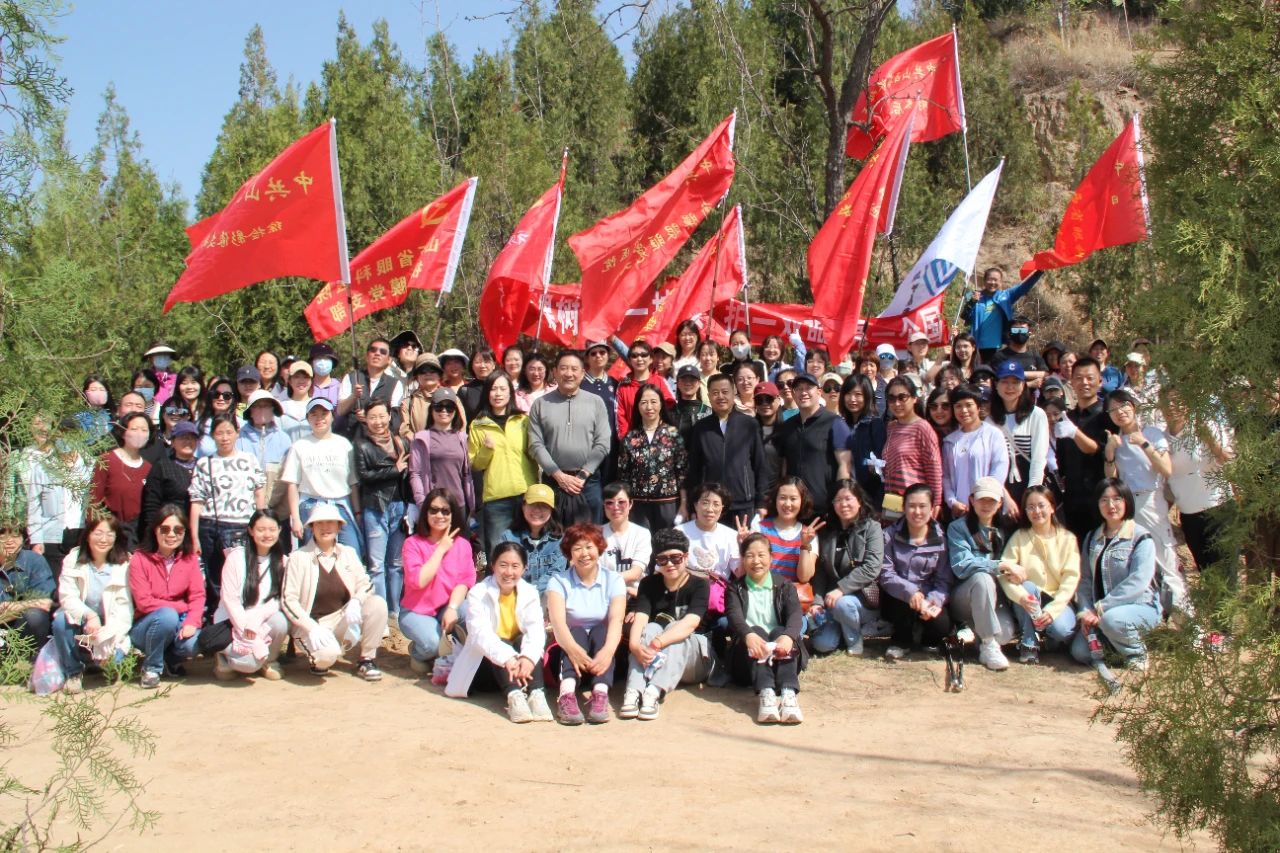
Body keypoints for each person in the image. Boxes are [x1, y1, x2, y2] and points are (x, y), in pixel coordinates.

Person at [443, 541, 555, 723]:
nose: (509, 572)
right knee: (501, 640)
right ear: (493, 565)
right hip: (486, 668)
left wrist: (528, 658)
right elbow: (481, 635)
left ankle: (537, 693)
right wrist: (507, 658)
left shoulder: (530, 592)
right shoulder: (478, 593)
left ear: (524, 568)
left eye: (515, 566)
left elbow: (535, 631)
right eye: (503, 565)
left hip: (519, 666)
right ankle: (514, 695)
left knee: (526, 642)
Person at [1103, 388, 1188, 615]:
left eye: (1123, 405)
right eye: (1113, 409)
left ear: (1133, 406)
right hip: (1127, 506)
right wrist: (1110, 452)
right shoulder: (1115, 439)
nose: (1120, 412)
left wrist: (1144, 443)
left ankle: (1188, 617)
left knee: (1165, 559)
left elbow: (1166, 469)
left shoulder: (1151, 433)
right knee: (1141, 563)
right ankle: (1155, 615)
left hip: (1151, 500)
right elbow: (1111, 479)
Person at [281, 502, 388, 681]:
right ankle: (321, 657)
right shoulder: (298, 558)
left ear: (339, 526)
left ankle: (367, 659)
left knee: (377, 604)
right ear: (312, 527)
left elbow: (366, 584)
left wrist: (357, 601)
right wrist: (311, 627)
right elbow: (288, 600)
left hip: (341, 619)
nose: (325, 527)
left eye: (330, 522)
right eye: (319, 523)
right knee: (326, 658)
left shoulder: (348, 553)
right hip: (312, 624)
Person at [620, 528, 713, 720]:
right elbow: (641, 618)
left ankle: (654, 691)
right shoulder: (648, 584)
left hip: (693, 659)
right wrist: (635, 646)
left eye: (675, 558)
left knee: (674, 629)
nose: (669, 564)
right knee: (651, 627)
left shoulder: (700, 584)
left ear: (686, 557)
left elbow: (691, 623)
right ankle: (634, 691)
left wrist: (658, 643)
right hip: (654, 657)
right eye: (662, 559)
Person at [1069, 479, 1161, 670]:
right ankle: (1116, 645)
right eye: (1104, 500)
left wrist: (1101, 608)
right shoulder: (1092, 538)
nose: (1110, 505)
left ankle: (1136, 652)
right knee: (1080, 652)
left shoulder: (1141, 537)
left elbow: (1138, 581)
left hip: (1139, 608)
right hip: (1100, 614)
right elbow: (1085, 580)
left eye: (1117, 499)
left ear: (1127, 501)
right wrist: (1085, 612)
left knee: (1112, 620)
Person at [546, 523, 627, 725]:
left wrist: (607, 651)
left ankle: (600, 694)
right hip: (567, 649)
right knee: (577, 631)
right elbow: (558, 623)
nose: (584, 553)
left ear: (599, 548)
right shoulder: (558, 581)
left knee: (601, 630)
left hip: (603, 652)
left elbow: (616, 620)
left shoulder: (614, 580)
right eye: (577, 548)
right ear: (569, 554)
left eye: (589, 547)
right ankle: (566, 695)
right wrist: (573, 650)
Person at [189, 412, 266, 617]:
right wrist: (194, 536)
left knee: (240, 576)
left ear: (237, 433)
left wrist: (259, 522)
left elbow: (259, 492)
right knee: (215, 578)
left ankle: (239, 618)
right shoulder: (204, 463)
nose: (224, 438)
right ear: (212, 435)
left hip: (241, 526)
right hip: (211, 526)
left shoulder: (249, 460)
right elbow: (196, 501)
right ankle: (217, 619)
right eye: (219, 433)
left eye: (229, 432)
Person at [725, 533, 805, 724]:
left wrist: (788, 636)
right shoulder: (734, 588)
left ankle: (788, 695)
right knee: (757, 632)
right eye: (750, 556)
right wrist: (748, 635)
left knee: (779, 632)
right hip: (747, 661)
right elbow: (734, 617)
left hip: (781, 656)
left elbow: (796, 616)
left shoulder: (785, 586)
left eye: (761, 555)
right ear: (743, 559)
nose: (756, 561)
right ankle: (766, 694)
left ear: (771, 557)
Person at [51, 512, 133, 693]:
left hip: (110, 625)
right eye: (98, 533)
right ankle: (73, 673)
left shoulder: (124, 564)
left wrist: (107, 637)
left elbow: (124, 610)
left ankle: (105, 661)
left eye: (110, 534)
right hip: (83, 620)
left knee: (111, 663)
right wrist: (90, 615)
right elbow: (67, 597)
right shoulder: (73, 559)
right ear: (88, 535)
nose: (104, 539)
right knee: (60, 621)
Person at [528, 351, 612, 525]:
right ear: (554, 372)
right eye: (563, 368)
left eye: (574, 369)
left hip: (588, 482)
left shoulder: (596, 402)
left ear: (582, 373)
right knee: (555, 534)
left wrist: (583, 475)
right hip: (554, 481)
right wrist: (559, 476)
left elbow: (603, 442)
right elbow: (535, 444)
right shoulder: (540, 404)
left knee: (590, 535)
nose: (569, 373)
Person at [999, 486, 1080, 664]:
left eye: (1041, 505)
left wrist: (1052, 611)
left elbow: (1070, 579)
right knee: (1027, 587)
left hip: (1055, 599)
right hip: (1028, 601)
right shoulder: (1019, 536)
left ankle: (1049, 634)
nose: (1036, 511)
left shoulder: (1067, 539)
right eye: (1030, 507)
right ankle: (1028, 643)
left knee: (1063, 630)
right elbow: (1004, 575)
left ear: (1052, 507)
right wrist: (1020, 596)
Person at [208, 509, 290, 681]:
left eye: (272, 529)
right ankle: (223, 655)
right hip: (233, 621)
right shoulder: (236, 557)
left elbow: (278, 599)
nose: (267, 534)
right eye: (261, 529)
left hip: (260, 620)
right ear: (251, 531)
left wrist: (257, 619)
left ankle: (269, 659)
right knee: (249, 665)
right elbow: (230, 601)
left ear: (279, 530)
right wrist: (246, 630)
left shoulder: (283, 561)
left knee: (280, 622)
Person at [400, 489, 476, 675]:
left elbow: (464, 582)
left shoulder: (463, 544)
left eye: (445, 511)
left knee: (468, 609)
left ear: (452, 514)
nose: (439, 515)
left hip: (445, 607)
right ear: (425, 513)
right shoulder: (412, 543)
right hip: (416, 611)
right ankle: (419, 652)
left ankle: (456, 653)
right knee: (432, 645)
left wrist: (452, 608)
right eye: (433, 510)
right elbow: (419, 581)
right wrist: (440, 550)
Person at [946, 477, 1019, 671]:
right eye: (981, 499)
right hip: (965, 596)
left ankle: (981, 632)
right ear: (972, 500)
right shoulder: (957, 528)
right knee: (982, 578)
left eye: (991, 501)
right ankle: (988, 644)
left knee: (1004, 635)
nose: (986, 505)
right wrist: (1001, 565)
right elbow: (962, 565)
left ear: (1000, 503)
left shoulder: (1005, 530)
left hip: (996, 599)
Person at [128, 506, 203, 688]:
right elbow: (144, 603)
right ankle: (151, 669)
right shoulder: (140, 558)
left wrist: (191, 621)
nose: (171, 535)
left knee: (193, 644)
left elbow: (197, 595)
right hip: (146, 626)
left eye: (178, 530)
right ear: (155, 530)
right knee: (167, 616)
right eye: (165, 529)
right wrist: (181, 607)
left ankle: (169, 659)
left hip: (179, 621)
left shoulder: (190, 559)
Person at [879, 483, 955, 660]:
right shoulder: (888, 535)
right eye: (912, 506)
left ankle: (927, 638)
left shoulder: (941, 538)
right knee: (900, 605)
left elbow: (944, 580)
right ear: (903, 508)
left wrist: (934, 600)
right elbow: (885, 573)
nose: (917, 512)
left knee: (942, 624)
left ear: (931, 508)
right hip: (899, 596)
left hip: (928, 597)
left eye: (922, 506)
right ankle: (901, 641)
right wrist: (910, 592)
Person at [1163, 393, 1235, 575]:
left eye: (1176, 401)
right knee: (1208, 575)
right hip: (1189, 516)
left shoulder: (1205, 425)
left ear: (1186, 404)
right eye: (1166, 402)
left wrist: (1209, 438)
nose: (1171, 406)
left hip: (1219, 509)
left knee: (1227, 575)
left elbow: (1227, 459)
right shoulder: (1161, 439)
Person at [811, 480, 884, 656]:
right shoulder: (827, 531)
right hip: (832, 601)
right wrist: (817, 602)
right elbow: (821, 572)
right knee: (822, 645)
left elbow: (872, 567)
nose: (843, 504)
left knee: (843, 604)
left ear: (859, 501)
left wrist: (841, 589)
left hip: (861, 599)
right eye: (837, 500)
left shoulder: (872, 528)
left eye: (848, 498)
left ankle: (855, 640)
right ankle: (845, 629)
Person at [684, 374, 770, 523]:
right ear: (709, 396)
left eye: (725, 392)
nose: (720, 397)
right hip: (711, 505)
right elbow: (694, 470)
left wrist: (761, 502)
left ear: (734, 392)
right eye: (715, 393)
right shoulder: (701, 428)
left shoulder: (749, 424)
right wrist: (693, 507)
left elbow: (760, 465)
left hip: (743, 502)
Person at [281, 398, 361, 552]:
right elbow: (292, 484)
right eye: (314, 414)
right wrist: (296, 518)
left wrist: (357, 513)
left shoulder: (344, 444)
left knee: (351, 552)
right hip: (311, 504)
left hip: (340, 505)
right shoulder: (299, 446)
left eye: (324, 414)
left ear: (332, 416)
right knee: (313, 555)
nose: (319, 419)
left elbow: (353, 483)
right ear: (308, 418)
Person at [355, 399, 412, 613]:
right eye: (372, 417)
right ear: (366, 419)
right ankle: (379, 611)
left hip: (399, 506)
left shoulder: (401, 443)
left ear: (389, 416)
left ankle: (394, 610)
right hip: (375, 507)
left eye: (381, 416)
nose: (378, 421)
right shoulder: (361, 445)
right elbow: (364, 476)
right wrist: (394, 470)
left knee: (396, 563)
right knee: (376, 565)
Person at [469, 372, 536, 552]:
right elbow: (475, 464)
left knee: (528, 548)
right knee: (498, 550)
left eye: (502, 389)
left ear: (510, 393)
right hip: (497, 498)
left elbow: (534, 453)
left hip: (526, 493)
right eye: (493, 389)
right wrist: (486, 450)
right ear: (487, 393)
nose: (498, 394)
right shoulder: (478, 424)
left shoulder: (523, 420)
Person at [19, 415, 89, 576]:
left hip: (79, 533)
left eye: (70, 435)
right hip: (50, 535)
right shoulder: (43, 466)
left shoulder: (88, 465)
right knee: (52, 582)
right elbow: (34, 505)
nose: (65, 440)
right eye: (60, 435)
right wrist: (36, 539)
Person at [1055, 357, 1114, 540]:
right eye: (1079, 378)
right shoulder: (1067, 418)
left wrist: (1075, 433)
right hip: (1072, 500)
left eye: (1090, 378)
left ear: (1100, 381)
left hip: (1100, 499)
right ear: (1072, 382)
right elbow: (1062, 460)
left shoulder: (1107, 417)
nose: (1084, 383)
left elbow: (1098, 449)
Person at [616, 384, 687, 531]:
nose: (649, 407)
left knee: (666, 543)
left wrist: (684, 504)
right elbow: (623, 476)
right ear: (637, 406)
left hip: (668, 503)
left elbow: (682, 472)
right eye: (644, 402)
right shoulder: (630, 437)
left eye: (654, 402)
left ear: (661, 404)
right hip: (638, 505)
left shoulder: (673, 434)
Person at [742, 477, 822, 593]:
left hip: (791, 598)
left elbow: (804, 577)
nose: (787, 504)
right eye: (783, 498)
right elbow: (749, 570)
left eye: (793, 499)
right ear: (775, 500)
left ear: (802, 501)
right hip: (761, 593)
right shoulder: (759, 528)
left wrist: (804, 546)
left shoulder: (809, 534)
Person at [774, 371, 840, 511]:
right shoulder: (787, 426)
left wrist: (838, 500)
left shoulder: (834, 422)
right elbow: (784, 466)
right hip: (793, 508)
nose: (803, 392)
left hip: (825, 507)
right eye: (798, 389)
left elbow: (844, 465)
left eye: (808, 388)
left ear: (819, 392)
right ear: (793, 394)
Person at [942, 384, 1010, 520]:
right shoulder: (949, 441)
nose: (964, 410)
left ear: (978, 407)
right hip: (960, 511)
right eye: (958, 406)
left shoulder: (993, 434)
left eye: (969, 405)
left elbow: (999, 470)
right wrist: (952, 501)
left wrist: (983, 499)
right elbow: (946, 476)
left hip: (987, 509)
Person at [990, 360, 1050, 508]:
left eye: (1015, 382)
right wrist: (1004, 497)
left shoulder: (1036, 415)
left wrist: (1031, 495)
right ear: (996, 384)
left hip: (1029, 485)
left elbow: (1039, 458)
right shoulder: (989, 419)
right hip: (1000, 490)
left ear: (1023, 385)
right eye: (1005, 381)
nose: (1010, 387)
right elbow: (990, 463)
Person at [882, 376, 943, 519]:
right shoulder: (891, 427)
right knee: (893, 532)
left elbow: (934, 469)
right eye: (891, 398)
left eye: (902, 397)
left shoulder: (922, 428)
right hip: (892, 500)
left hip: (915, 504)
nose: (897, 403)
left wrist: (935, 503)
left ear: (914, 398)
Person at [409, 386, 474, 517]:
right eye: (439, 407)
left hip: (459, 504)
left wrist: (471, 503)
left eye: (449, 407)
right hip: (434, 506)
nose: (444, 411)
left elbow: (466, 474)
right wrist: (422, 502)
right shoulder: (421, 439)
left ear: (455, 411)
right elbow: (415, 474)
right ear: (431, 409)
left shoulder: (463, 438)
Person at [90, 411, 152, 547]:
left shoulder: (148, 468)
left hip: (137, 537)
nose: (139, 434)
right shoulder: (106, 460)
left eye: (144, 430)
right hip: (110, 534)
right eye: (134, 429)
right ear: (123, 432)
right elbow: (94, 500)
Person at [960, 267, 1044, 362]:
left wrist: (1039, 272)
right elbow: (964, 316)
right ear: (984, 281)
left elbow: (1023, 287)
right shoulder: (974, 296)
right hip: (976, 346)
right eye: (989, 279)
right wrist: (972, 301)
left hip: (998, 347)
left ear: (1001, 282)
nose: (992, 282)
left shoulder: (1006, 296)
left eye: (996, 280)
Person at [0, 520, 56, 655]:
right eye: (2, 537)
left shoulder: (34, 561)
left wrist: (14, 607)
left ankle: (30, 661)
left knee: (34, 616)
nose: (9, 541)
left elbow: (46, 602)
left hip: (24, 625)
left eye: (15, 535)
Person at [498, 485, 566, 595]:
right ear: (523, 506)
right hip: (515, 595)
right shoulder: (508, 538)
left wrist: (532, 593)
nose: (537, 510)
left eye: (544, 506)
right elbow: (504, 572)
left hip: (548, 597)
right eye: (532, 504)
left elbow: (556, 574)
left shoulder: (559, 541)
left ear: (552, 510)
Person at [237, 390, 292, 519]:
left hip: (276, 512)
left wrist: (268, 506)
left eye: (266, 406)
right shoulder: (239, 437)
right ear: (250, 411)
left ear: (273, 409)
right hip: (244, 510)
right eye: (257, 406)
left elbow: (284, 478)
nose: (262, 410)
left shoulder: (284, 439)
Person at [139, 420, 198, 537]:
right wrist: (154, 532)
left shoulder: (204, 466)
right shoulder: (162, 466)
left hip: (200, 531)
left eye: (192, 438)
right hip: (170, 531)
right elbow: (151, 504)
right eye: (183, 437)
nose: (188, 441)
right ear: (173, 442)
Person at [835, 374, 886, 508]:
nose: (852, 399)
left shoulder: (875, 424)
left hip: (870, 496)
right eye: (848, 394)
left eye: (858, 394)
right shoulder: (840, 424)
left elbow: (881, 462)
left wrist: (867, 463)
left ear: (867, 396)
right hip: (845, 495)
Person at [338, 337, 406, 435]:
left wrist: (370, 416)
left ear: (389, 360)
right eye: (373, 350)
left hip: (379, 439)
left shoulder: (395, 384)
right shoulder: (351, 378)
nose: (377, 353)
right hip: (351, 436)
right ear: (366, 356)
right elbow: (340, 411)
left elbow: (395, 418)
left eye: (383, 352)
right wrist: (353, 396)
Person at [599, 482, 652, 591]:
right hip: (604, 591)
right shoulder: (596, 534)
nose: (615, 507)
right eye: (609, 503)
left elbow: (636, 573)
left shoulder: (642, 533)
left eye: (621, 502)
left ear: (630, 504)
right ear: (604, 506)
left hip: (633, 593)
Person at [616, 341, 676, 436]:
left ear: (651, 359)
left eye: (644, 355)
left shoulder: (660, 381)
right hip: (633, 440)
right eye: (634, 356)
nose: (639, 359)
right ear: (630, 360)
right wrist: (626, 439)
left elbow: (670, 409)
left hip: (660, 438)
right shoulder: (623, 387)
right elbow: (620, 417)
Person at [398, 352, 444, 440]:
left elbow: (461, 427)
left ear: (439, 375)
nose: (428, 374)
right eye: (423, 371)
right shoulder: (408, 402)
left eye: (432, 370)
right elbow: (404, 430)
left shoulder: (452, 398)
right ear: (417, 376)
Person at [993, 316, 1048, 387]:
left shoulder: (1035, 355)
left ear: (1029, 333)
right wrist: (1029, 384)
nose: (1019, 333)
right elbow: (998, 380)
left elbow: (1046, 374)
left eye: (1023, 330)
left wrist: (1017, 373)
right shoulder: (1000, 356)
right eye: (1015, 330)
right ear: (1009, 333)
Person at [196, 378, 237, 457]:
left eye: (227, 395)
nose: (220, 398)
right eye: (216, 394)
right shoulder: (201, 424)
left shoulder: (242, 425)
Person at [459, 348, 497, 422]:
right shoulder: (465, 390)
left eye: (486, 361)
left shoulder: (503, 387)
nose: (482, 365)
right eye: (478, 362)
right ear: (472, 365)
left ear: (494, 365)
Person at [279, 361, 314, 439]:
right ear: (290, 381)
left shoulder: (317, 406)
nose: (301, 381)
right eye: (297, 377)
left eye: (305, 377)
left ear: (311, 381)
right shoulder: (281, 408)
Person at [672, 365, 711, 434]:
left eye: (692, 380)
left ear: (699, 384)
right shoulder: (670, 413)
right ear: (677, 383)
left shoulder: (709, 412)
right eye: (684, 379)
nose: (688, 383)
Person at [75, 374, 114, 441]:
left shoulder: (113, 416)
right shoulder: (79, 417)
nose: (98, 392)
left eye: (102, 389)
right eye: (93, 389)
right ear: (85, 393)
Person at [308, 342, 342, 409]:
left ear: (332, 363)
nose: (323, 362)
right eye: (318, 358)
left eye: (326, 358)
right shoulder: (306, 386)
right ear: (311, 363)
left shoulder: (340, 387)